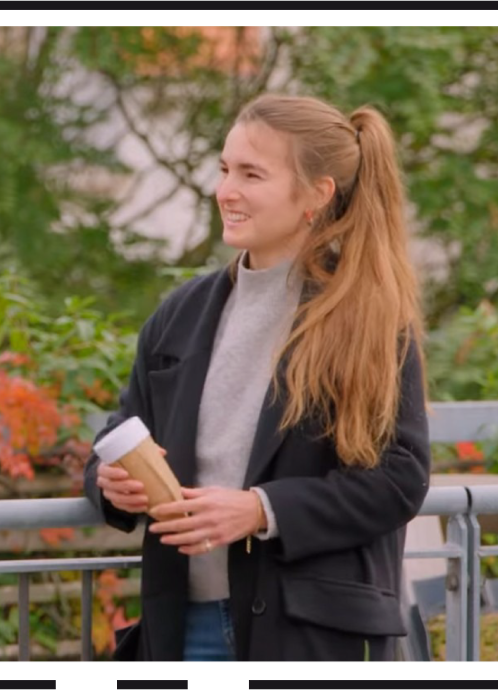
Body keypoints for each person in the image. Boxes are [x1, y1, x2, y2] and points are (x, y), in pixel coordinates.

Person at [83, 92, 431, 663]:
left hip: (308, 638)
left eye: (251, 174)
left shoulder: (369, 318)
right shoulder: (179, 314)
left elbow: (399, 477)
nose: (226, 190)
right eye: (224, 169)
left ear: (316, 196)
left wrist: (262, 510)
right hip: (180, 630)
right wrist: (108, 482)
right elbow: (121, 430)